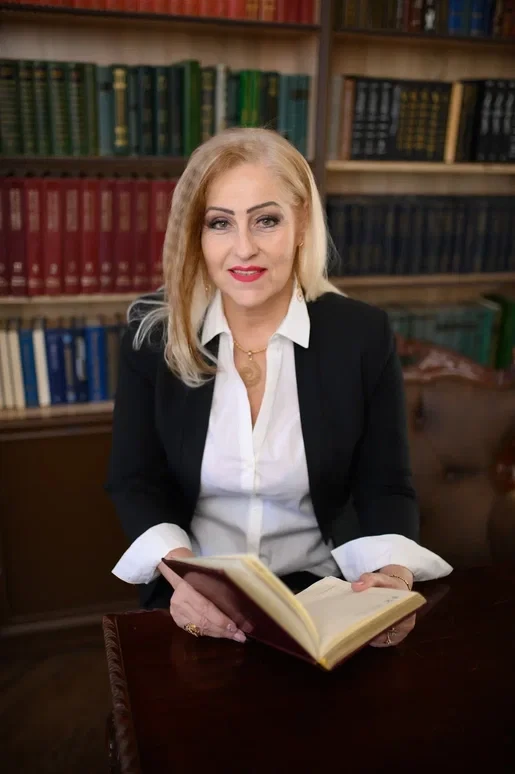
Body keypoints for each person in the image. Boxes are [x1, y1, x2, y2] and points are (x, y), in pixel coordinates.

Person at [107, 127, 452, 649]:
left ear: (301, 224)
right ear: (197, 236)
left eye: (266, 220)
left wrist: (393, 580)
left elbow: (385, 485)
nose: (244, 248)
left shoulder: (361, 335)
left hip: (325, 593)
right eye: (220, 223)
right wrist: (182, 573)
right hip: (197, 590)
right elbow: (135, 480)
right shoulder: (152, 335)